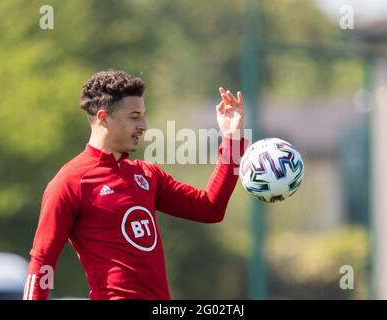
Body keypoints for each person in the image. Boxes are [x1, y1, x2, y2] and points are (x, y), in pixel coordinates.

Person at [23, 70, 247, 300]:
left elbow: (210, 208)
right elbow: (43, 260)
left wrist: (232, 139)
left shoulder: (147, 175)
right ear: (103, 118)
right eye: (134, 116)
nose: (144, 125)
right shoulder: (70, 182)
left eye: (143, 116)